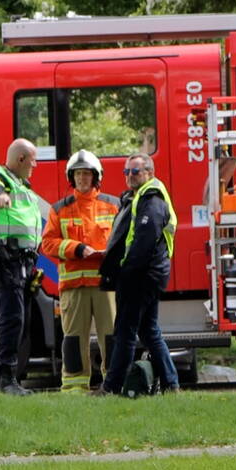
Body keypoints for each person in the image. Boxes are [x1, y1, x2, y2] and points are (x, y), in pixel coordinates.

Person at [96, 153, 180, 396]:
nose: (130, 176)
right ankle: (171, 384)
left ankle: (111, 387)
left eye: (135, 171)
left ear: (149, 173)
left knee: (125, 331)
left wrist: (126, 272)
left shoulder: (151, 200)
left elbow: (143, 242)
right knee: (149, 331)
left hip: (141, 276)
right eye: (126, 172)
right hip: (148, 275)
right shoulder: (138, 197)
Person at [41, 150, 119, 392]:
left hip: (106, 284)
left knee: (112, 337)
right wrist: (77, 248)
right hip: (74, 287)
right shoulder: (59, 209)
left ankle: (114, 384)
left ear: (96, 177)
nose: (82, 178)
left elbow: (124, 239)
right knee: (74, 339)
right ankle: (75, 388)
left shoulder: (113, 205)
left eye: (86, 174)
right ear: (71, 178)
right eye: (78, 174)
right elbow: (47, 244)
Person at [0, 138, 42, 396]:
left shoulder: (21, 185)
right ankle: (6, 380)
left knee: (20, 321)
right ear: (21, 159)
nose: (35, 166)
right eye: (33, 161)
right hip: (6, 259)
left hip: (23, 261)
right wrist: (0, 196)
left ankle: (6, 380)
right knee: (13, 320)